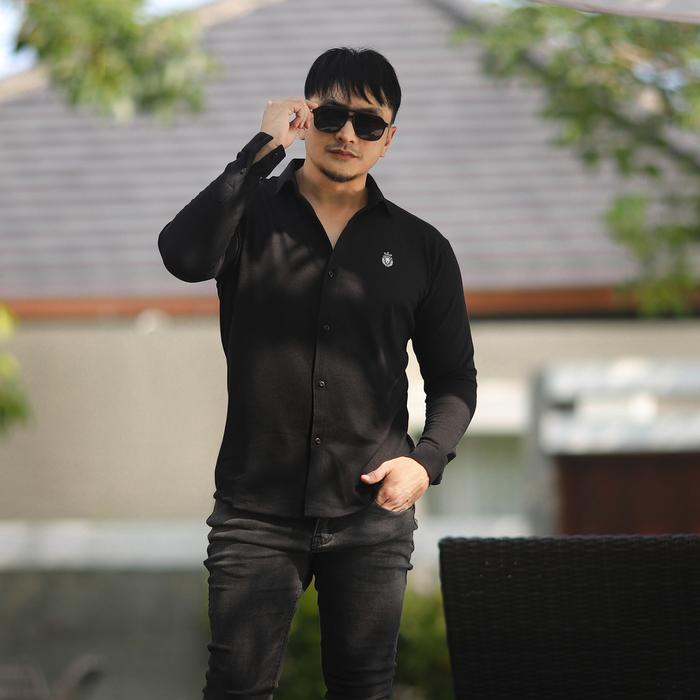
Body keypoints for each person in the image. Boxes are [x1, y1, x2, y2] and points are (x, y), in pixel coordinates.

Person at [158, 46, 477, 700]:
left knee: (364, 689)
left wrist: (425, 463)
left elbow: (454, 380)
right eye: (332, 115)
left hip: (371, 515)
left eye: (369, 123)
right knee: (236, 687)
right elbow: (183, 257)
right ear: (304, 119)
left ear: (389, 138)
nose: (347, 134)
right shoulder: (247, 215)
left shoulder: (422, 248)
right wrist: (260, 149)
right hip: (255, 511)